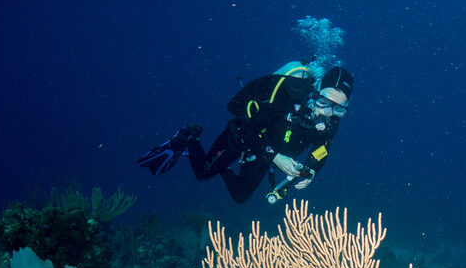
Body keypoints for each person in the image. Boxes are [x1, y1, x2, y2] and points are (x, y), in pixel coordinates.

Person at [138, 64, 354, 204]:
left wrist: (312, 171)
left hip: (267, 152)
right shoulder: (288, 92)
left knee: (240, 196)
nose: (327, 112)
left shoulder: (332, 118)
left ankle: (224, 166)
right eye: (324, 101)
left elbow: (323, 149)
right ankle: (187, 137)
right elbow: (240, 113)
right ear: (316, 90)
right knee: (203, 173)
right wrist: (276, 157)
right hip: (241, 137)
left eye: (338, 108)